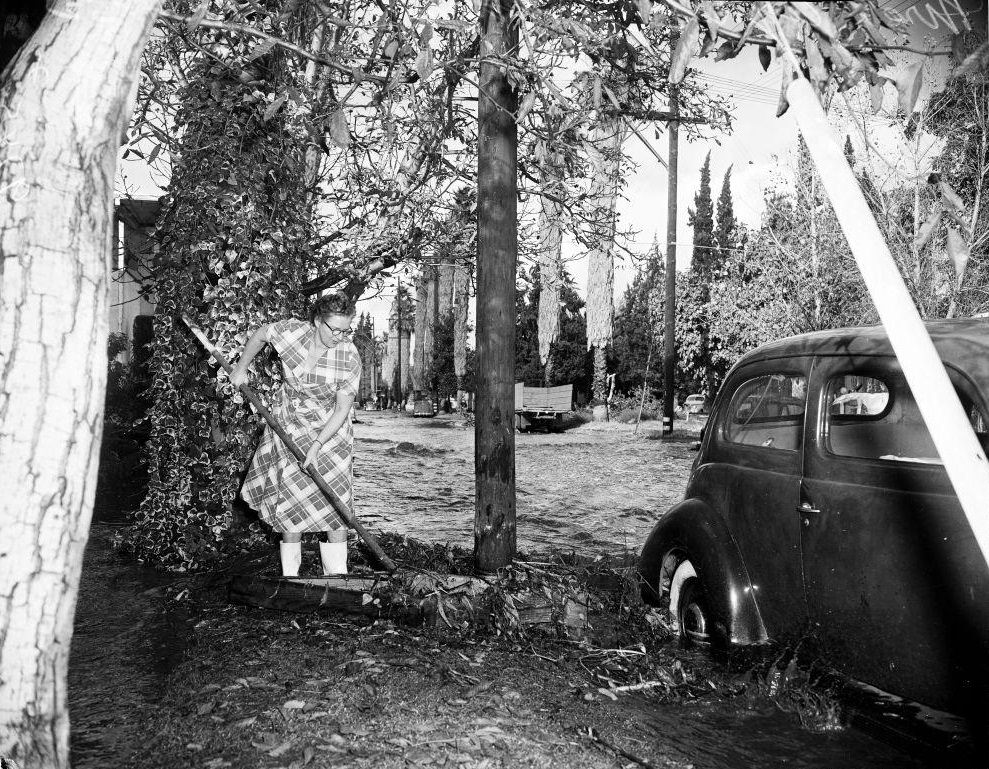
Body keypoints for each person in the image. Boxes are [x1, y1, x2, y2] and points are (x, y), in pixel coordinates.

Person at [231, 293, 361, 577]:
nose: (340, 336)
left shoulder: (349, 355)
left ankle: (337, 579)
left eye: (345, 330)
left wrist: (316, 445)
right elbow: (262, 334)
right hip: (288, 425)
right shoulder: (292, 332)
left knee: (335, 510)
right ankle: (291, 578)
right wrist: (241, 369)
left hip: (330, 435)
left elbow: (342, 411)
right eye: (334, 329)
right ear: (317, 321)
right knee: (290, 505)